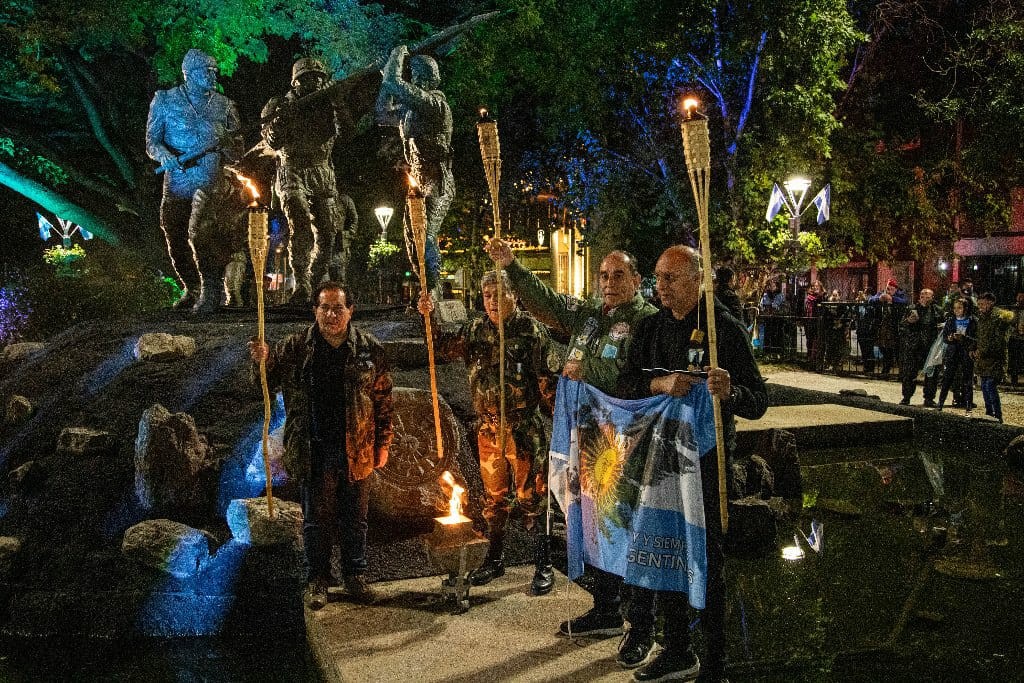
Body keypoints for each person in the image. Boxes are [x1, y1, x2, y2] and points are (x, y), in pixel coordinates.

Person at [484, 237, 657, 639]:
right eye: (604, 275)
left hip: (628, 445)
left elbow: (634, 376)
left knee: (630, 529)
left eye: (618, 275)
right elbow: (547, 303)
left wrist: (586, 369)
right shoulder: (590, 314)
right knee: (595, 525)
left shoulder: (647, 321)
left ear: (636, 279)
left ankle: (643, 626)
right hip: (590, 441)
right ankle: (606, 609)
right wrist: (512, 266)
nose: (609, 282)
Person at [617, 245, 768, 682]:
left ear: (698, 280)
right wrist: (660, 383)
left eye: (671, 278)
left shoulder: (723, 330)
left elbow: (759, 401)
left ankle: (715, 664)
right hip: (659, 463)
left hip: (706, 466)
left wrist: (730, 392)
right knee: (666, 554)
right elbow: (626, 385)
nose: (661, 287)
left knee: (706, 560)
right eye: (659, 278)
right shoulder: (650, 328)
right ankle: (678, 649)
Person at [248, 281, 394, 609]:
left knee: (355, 517)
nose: (331, 315)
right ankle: (318, 578)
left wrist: (383, 443)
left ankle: (355, 575)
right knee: (316, 519)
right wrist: (262, 362)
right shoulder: (295, 347)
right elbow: (264, 385)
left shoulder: (369, 349)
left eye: (338, 308)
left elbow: (384, 400)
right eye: (324, 308)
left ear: (350, 310)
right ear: (315, 310)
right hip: (312, 448)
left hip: (357, 447)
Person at [417, 270, 558, 594]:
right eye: (487, 296)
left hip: (523, 429)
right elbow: (441, 348)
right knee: (494, 499)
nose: (492, 301)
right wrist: (429, 315)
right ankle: (495, 559)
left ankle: (544, 564)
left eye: (499, 294)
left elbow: (548, 381)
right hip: (489, 431)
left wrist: (561, 419)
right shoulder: (475, 330)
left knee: (533, 497)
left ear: (514, 296)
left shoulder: (530, 331)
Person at [146, 49, 242, 312]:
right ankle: (192, 287)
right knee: (174, 235)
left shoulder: (225, 106)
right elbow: (152, 142)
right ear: (188, 73)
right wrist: (164, 155)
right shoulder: (165, 100)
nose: (213, 75)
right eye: (206, 71)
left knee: (200, 233)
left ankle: (211, 290)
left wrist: (227, 143)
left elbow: (237, 155)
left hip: (210, 183)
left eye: (215, 71)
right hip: (177, 182)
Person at [262, 58, 355, 306]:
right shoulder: (279, 104)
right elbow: (271, 142)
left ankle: (313, 282)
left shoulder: (329, 102)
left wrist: (338, 103)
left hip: (322, 172)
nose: (314, 82)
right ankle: (301, 284)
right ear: (295, 82)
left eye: (318, 77)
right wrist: (280, 120)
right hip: (292, 170)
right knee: (300, 224)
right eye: (307, 78)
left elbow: (347, 133)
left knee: (328, 235)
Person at [377, 45, 453, 295]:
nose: (416, 80)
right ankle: (425, 288)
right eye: (415, 75)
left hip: (437, 179)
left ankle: (433, 291)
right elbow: (382, 113)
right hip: (419, 180)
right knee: (412, 237)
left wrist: (396, 55)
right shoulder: (410, 111)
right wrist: (386, 75)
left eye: (421, 75)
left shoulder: (435, 104)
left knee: (425, 234)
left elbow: (395, 82)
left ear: (432, 78)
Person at [897, 288, 943, 406]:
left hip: (931, 346)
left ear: (932, 298)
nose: (924, 298)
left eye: (928, 296)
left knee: (931, 373)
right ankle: (906, 397)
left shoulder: (937, 310)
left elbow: (943, 326)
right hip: (914, 346)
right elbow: (902, 326)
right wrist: (909, 322)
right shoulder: (912, 309)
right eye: (922, 295)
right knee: (909, 373)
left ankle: (929, 398)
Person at [973, 292, 1014, 423]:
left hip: (996, 359)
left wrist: (983, 351)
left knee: (990, 385)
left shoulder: (999, 319)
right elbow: (979, 337)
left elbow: (1000, 341)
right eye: (979, 304)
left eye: (982, 304)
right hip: (984, 359)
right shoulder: (982, 318)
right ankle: (989, 413)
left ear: (991, 303)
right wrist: (974, 350)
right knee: (985, 386)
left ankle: (997, 414)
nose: (980, 307)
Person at [937, 298, 977, 416]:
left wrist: (964, 338)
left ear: (965, 308)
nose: (956, 310)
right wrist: (949, 338)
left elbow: (976, 338)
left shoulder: (973, 321)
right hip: (953, 352)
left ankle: (968, 406)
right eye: (955, 308)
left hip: (966, 352)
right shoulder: (951, 320)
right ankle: (940, 404)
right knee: (947, 378)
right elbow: (945, 337)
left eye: (959, 308)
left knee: (967, 380)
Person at [1007, 293, 1024, 386]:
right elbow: (1008, 323)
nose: (1021, 299)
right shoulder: (1012, 309)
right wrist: (1015, 329)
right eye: (1020, 296)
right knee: (1014, 359)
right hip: (1014, 337)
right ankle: (1014, 379)